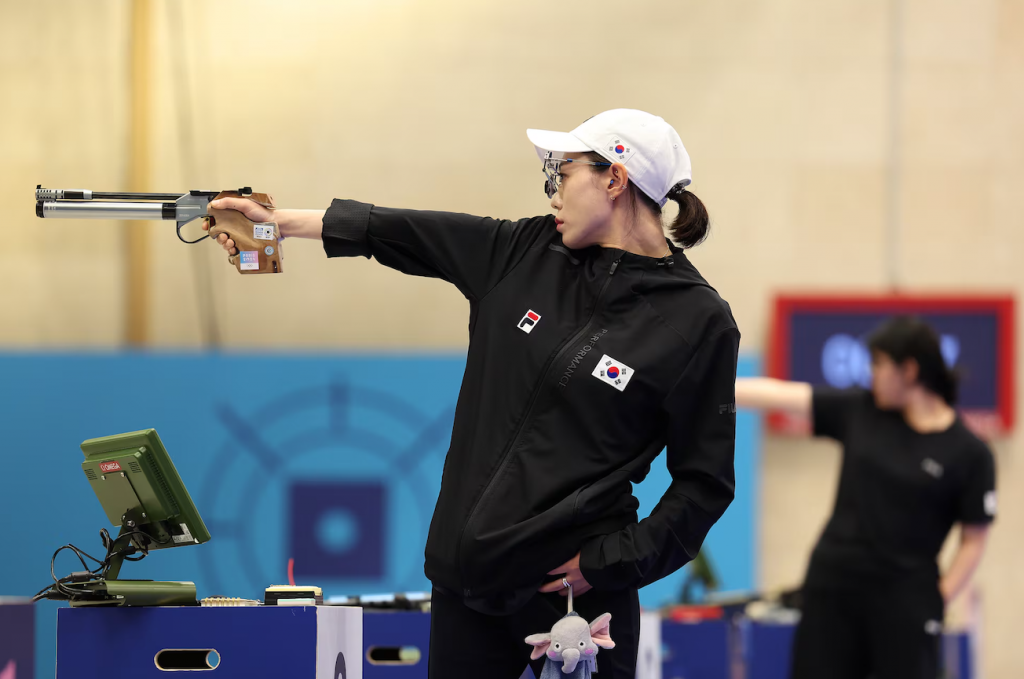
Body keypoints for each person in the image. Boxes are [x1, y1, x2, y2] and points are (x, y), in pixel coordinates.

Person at [204, 109, 740, 678]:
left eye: (562, 173)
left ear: (614, 179)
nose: (553, 193)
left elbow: (704, 485)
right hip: (466, 588)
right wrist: (276, 223)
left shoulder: (698, 321)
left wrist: (606, 566)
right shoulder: (523, 250)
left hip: (576, 605)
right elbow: (400, 230)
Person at [736, 317, 996, 679]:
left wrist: (938, 599)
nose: (869, 374)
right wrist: (712, 385)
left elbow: (974, 539)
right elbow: (781, 395)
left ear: (909, 370)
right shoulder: (862, 411)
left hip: (906, 601)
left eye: (877, 365)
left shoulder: (970, 453)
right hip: (833, 590)